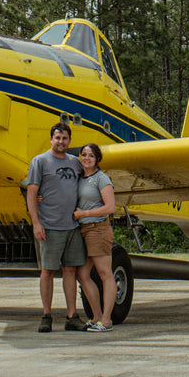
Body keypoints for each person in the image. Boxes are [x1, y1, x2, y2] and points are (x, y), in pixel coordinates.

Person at [25, 121, 87, 332]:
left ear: (70, 141)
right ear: (51, 139)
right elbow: (31, 192)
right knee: (47, 271)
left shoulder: (76, 163)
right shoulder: (39, 161)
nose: (61, 142)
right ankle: (46, 315)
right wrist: (36, 223)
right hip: (49, 226)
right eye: (57, 138)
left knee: (70, 270)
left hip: (72, 226)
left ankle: (72, 316)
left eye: (65, 138)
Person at [73, 142, 118, 332]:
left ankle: (106, 320)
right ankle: (96, 316)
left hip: (98, 228)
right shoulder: (80, 178)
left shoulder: (102, 178)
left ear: (97, 159)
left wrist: (85, 214)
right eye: (83, 155)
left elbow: (110, 207)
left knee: (105, 274)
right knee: (82, 275)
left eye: (91, 156)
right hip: (82, 231)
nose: (86, 158)